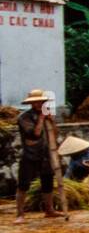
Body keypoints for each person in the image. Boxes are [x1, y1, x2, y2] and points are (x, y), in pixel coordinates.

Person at [14, 88, 62, 224]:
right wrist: (41, 118)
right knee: (23, 184)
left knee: (47, 182)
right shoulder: (24, 118)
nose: (38, 104)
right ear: (31, 103)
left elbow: (54, 133)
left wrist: (51, 121)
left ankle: (49, 210)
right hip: (30, 155)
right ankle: (20, 214)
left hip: (46, 154)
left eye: (40, 101)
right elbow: (34, 134)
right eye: (35, 102)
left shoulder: (47, 115)